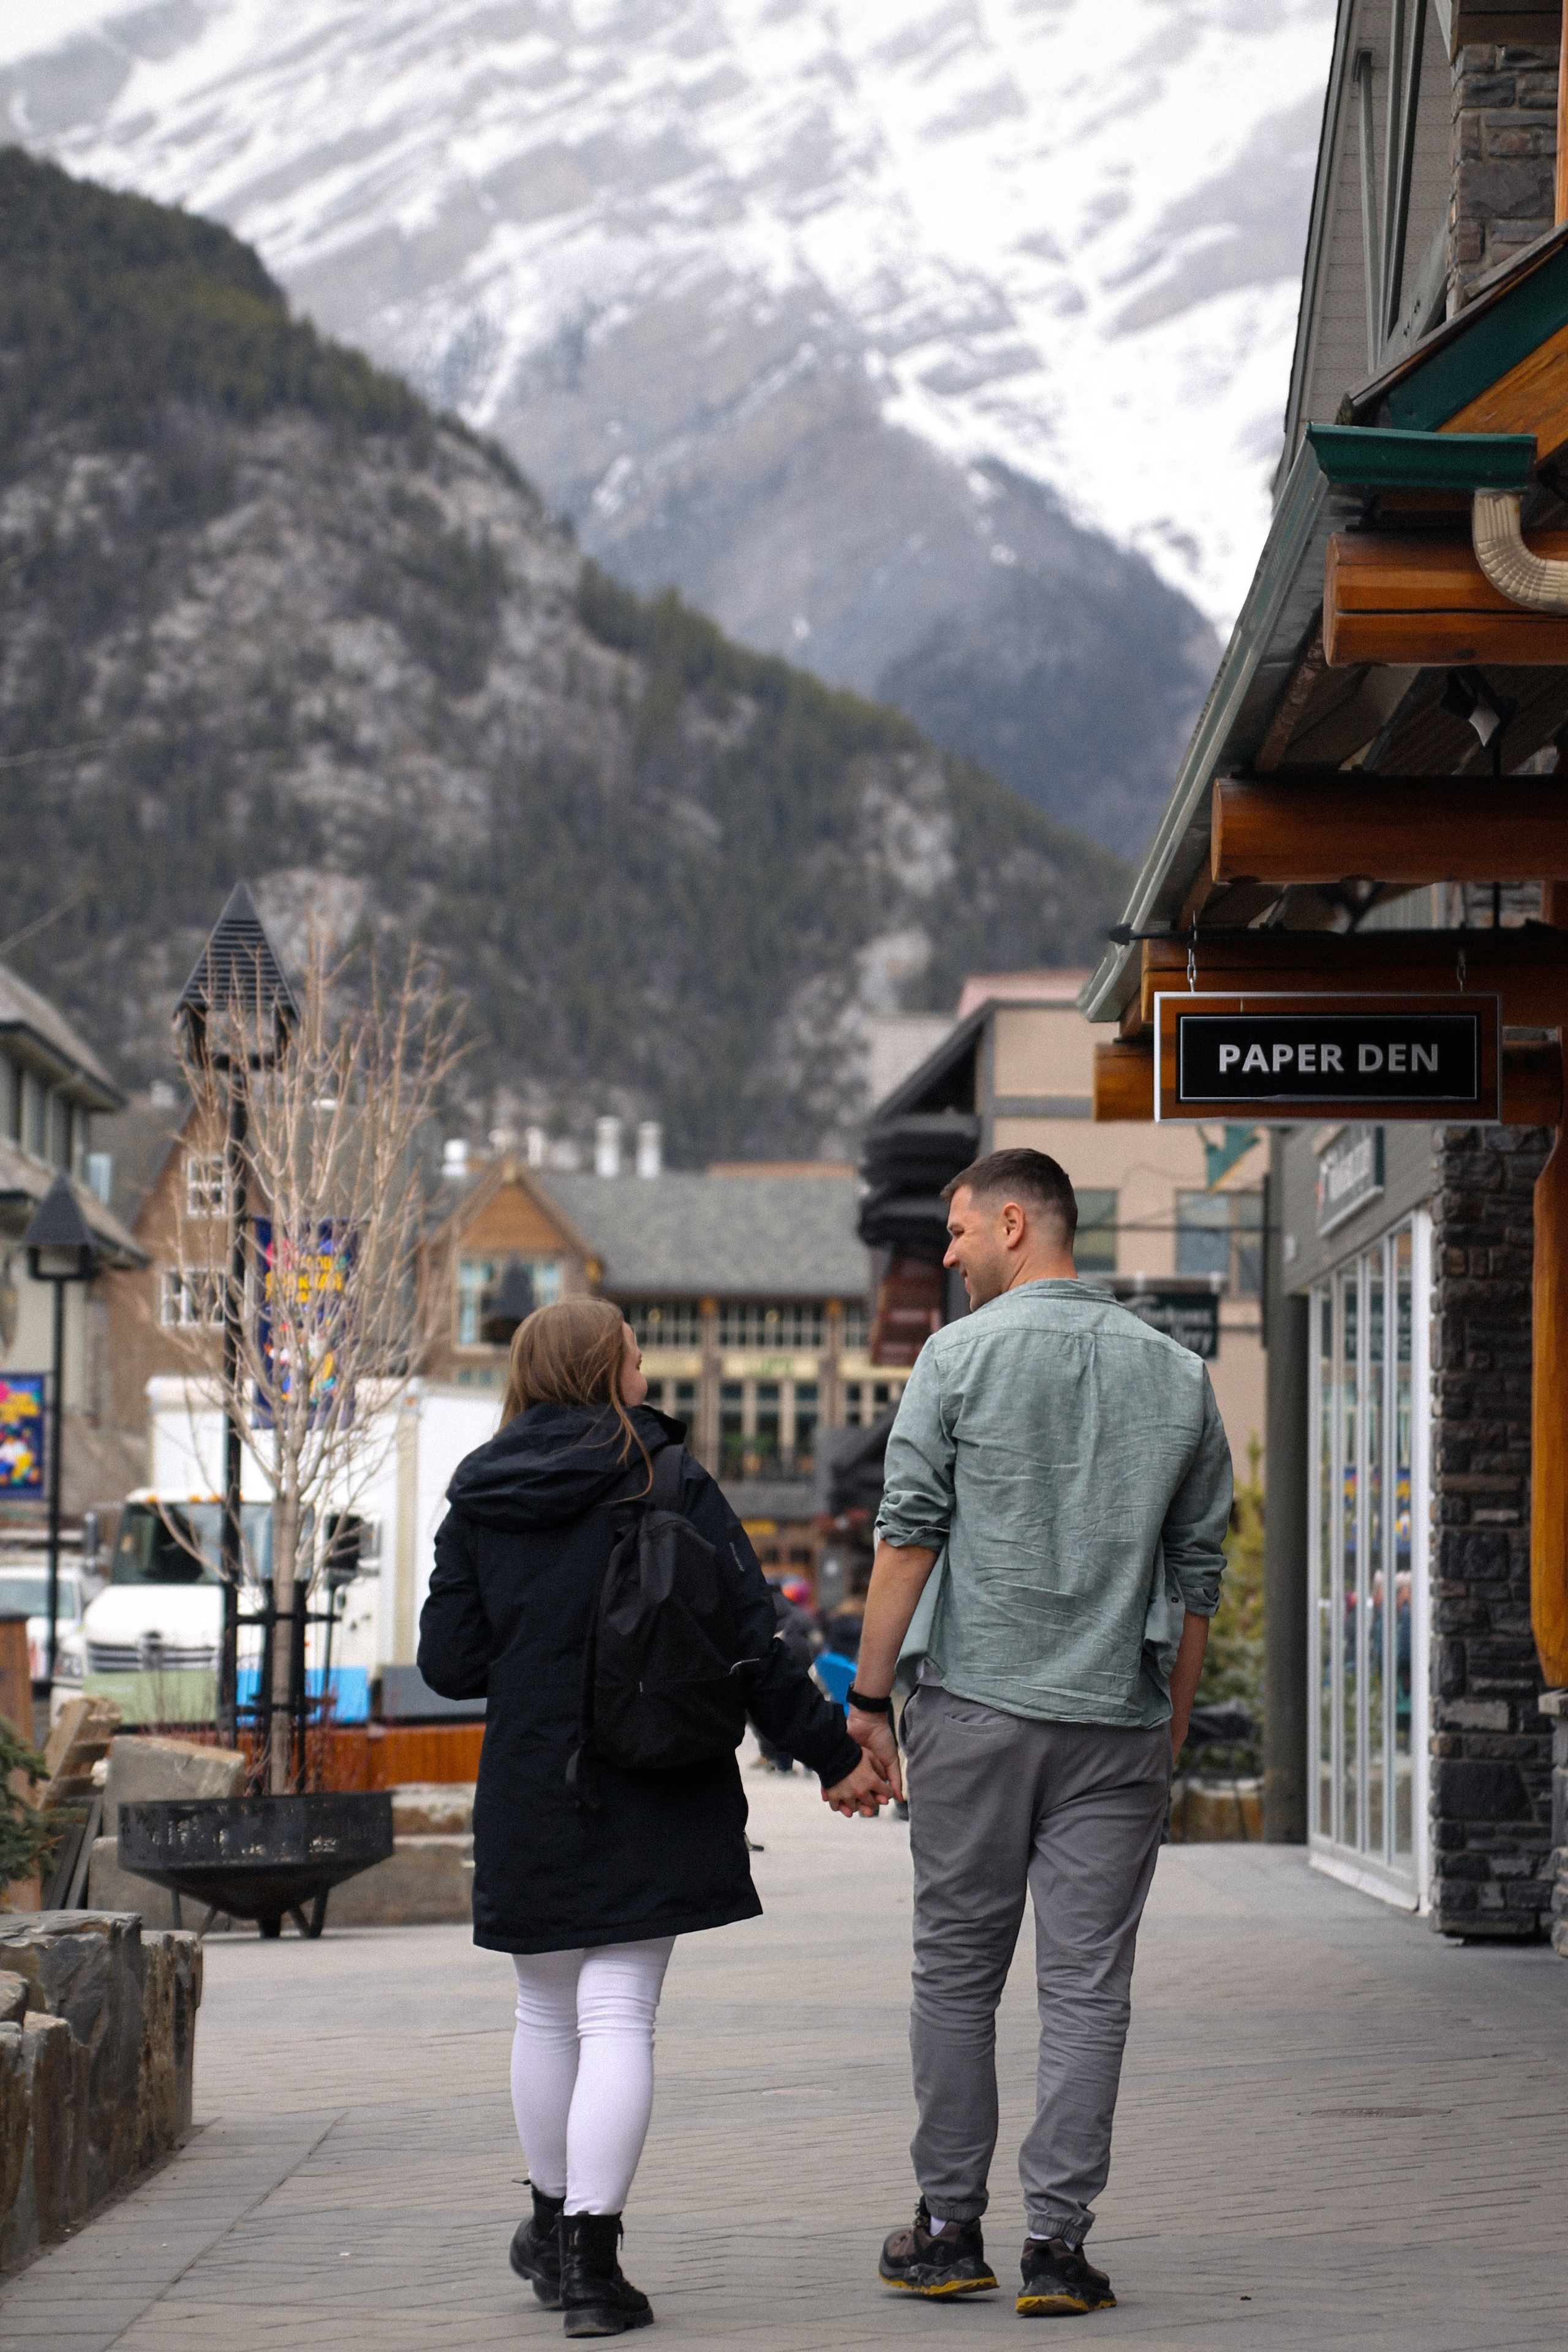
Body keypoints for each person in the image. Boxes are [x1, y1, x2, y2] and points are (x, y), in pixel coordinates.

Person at [418, 1297, 890, 2338]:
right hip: (655, 1773)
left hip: (534, 1781)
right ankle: (593, 2263)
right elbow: (755, 1643)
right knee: (619, 2012)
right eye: (635, 1352)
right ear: (607, 1370)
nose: (645, 1367)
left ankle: (549, 2231)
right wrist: (832, 1757)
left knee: (544, 2013)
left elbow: (448, 1664)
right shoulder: (667, 1478)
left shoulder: (480, 1493)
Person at [841, 1148, 1232, 2318]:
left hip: (974, 1710)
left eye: (958, 1233)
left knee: (957, 1976)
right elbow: (1196, 1577)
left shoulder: (955, 1359)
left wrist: (868, 1707)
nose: (947, 1254)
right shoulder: (1179, 1372)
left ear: (1016, 1222)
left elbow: (906, 1539)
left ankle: (950, 2229)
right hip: (1116, 1724)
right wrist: (1162, 1737)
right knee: (1089, 1989)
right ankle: (1057, 2248)